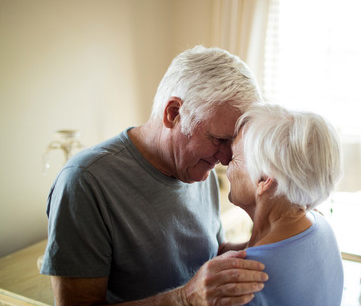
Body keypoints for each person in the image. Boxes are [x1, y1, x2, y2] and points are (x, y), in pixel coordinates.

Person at [40, 45, 268, 305]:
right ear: (173, 114)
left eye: (234, 142)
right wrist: (183, 299)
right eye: (219, 139)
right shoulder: (85, 181)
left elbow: (206, 255)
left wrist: (271, 241)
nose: (227, 158)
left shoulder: (199, 169)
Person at [226, 103, 345, 305]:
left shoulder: (243, 281)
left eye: (234, 157)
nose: (226, 164)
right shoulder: (321, 227)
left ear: (264, 179)